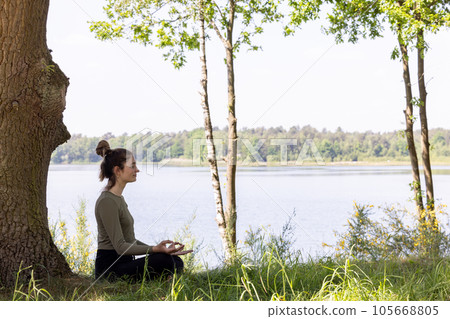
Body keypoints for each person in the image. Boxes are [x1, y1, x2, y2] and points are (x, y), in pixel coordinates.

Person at [94, 140, 192, 281]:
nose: (137, 170)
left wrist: (160, 249)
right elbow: (120, 247)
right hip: (110, 269)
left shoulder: (118, 198)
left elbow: (130, 241)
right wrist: (155, 250)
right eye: (132, 166)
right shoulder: (107, 201)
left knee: (173, 260)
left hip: (125, 262)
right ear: (117, 170)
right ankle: (164, 276)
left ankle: (164, 275)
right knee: (163, 261)